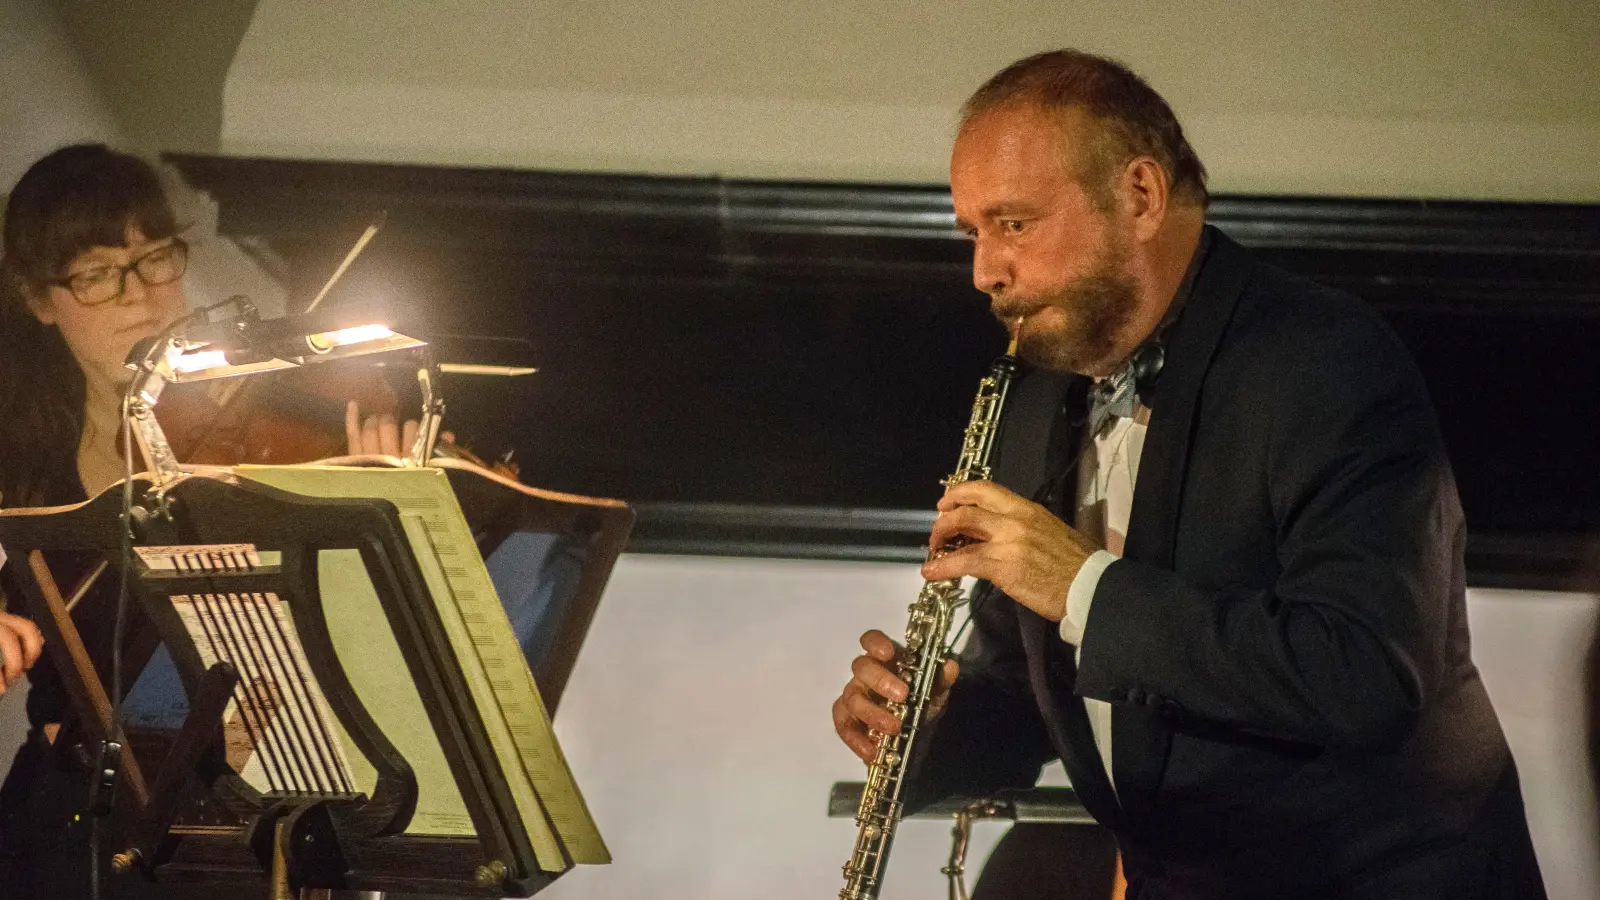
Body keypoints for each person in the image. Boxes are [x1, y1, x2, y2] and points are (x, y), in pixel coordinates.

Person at [832, 50, 1545, 899]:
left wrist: (1082, 585)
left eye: (1014, 224)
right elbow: (1032, 687)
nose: (985, 271)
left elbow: (1365, 671)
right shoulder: (1034, 397)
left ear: (1140, 195)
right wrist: (928, 731)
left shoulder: (1326, 361)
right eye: (973, 234)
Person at [0, 143, 412, 897]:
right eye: (96, 274)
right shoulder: (19, 456)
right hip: (64, 820)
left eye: (155, 259)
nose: (139, 296)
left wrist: (374, 505)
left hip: (231, 815)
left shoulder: (260, 421)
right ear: (39, 298)